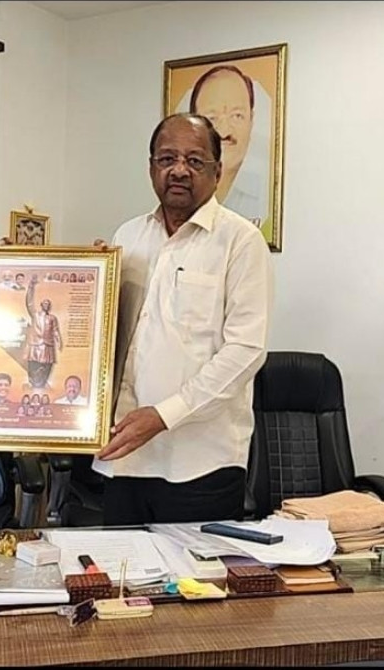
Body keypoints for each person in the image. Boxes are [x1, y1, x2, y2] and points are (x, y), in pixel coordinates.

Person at [92, 113, 273, 525]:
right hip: (124, 458)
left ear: (217, 171)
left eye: (194, 161)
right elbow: (106, 337)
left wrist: (163, 415)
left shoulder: (241, 241)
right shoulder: (127, 237)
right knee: (123, 564)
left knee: (195, 569)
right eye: (167, 158)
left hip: (200, 463)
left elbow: (245, 351)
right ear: (151, 166)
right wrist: (84, 282)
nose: (178, 170)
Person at [184, 64, 272, 229]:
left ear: (251, 120)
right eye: (212, 117)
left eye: (237, 116)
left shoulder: (267, 194)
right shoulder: (177, 192)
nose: (224, 131)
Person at [23, 276, 62, 389]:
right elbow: (29, 303)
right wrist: (31, 287)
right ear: (41, 305)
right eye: (44, 304)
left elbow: (55, 330)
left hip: (48, 345)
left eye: (48, 304)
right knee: (33, 363)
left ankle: (43, 382)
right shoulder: (35, 315)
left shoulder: (52, 318)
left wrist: (59, 341)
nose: (46, 305)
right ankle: (33, 382)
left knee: (47, 364)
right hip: (35, 344)